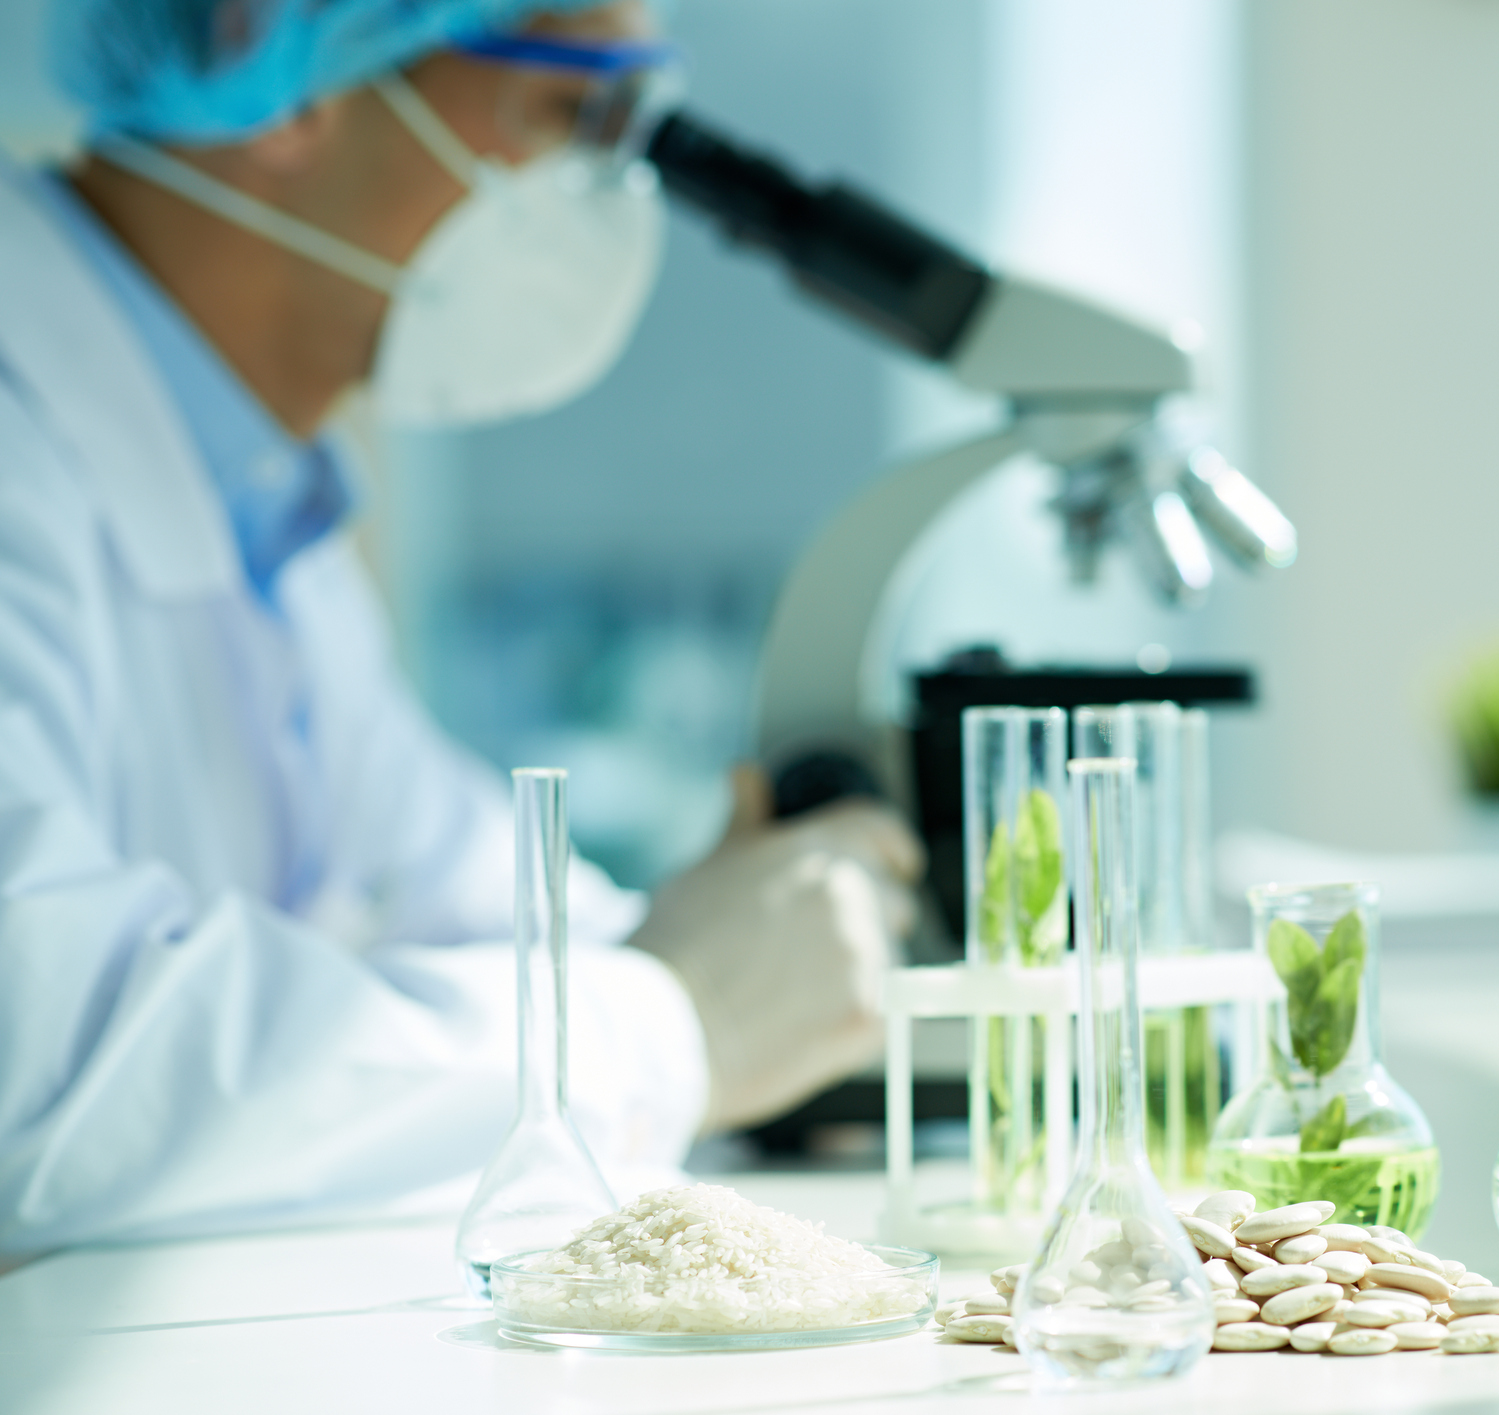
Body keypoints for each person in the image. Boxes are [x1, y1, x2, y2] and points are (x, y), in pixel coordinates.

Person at [0, 0, 922, 1256]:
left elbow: (452, 886)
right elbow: (36, 1068)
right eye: (573, 107)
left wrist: (751, 966)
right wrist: (670, 1022)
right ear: (274, 71)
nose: (603, 196)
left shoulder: (260, 503)